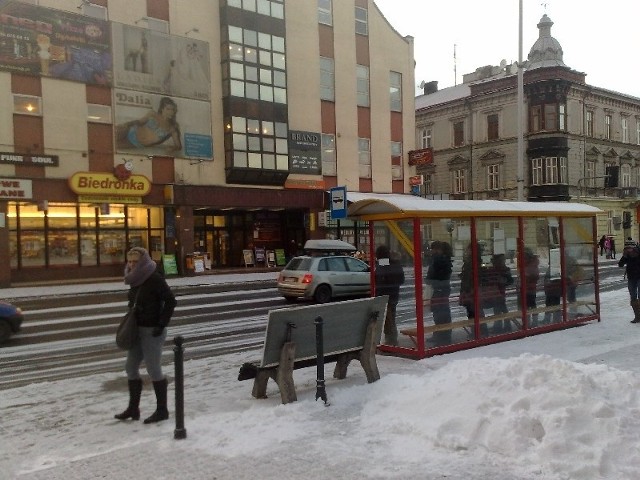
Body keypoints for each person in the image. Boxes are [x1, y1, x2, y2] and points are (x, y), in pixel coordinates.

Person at [115, 247, 177, 424]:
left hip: (152, 331)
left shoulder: (154, 278)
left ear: (143, 261)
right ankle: (133, 408)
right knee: (131, 367)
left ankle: (162, 410)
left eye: (136, 262)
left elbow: (171, 301)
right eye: (130, 261)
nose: (132, 264)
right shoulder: (133, 279)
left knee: (153, 369)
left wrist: (161, 323)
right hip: (137, 329)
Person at [116, 97, 182, 153]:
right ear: (162, 109)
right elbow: (140, 122)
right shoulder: (153, 114)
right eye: (168, 109)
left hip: (135, 143)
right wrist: (127, 124)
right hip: (129, 131)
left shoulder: (172, 128)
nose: (171, 112)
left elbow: (178, 146)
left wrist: (173, 148)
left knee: (112, 146)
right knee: (109, 137)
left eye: (172, 110)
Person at [374, 245, 405, 346]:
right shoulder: (395, 263)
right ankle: (391, 340)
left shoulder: (383, 264)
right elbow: (401, 279)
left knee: (388, 320)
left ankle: (391, 341)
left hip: (384, 295)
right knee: (390, 319)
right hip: (394, 294)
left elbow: (378, 278)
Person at [425, 241, 452, 344]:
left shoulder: (439, 259)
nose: (432, 251)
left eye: (433, 249)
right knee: (440, 313)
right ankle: (440, 335)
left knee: (440, 314)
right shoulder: (443, 259)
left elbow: (434, 275)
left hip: (439, 289)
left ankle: (442, 336)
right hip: (441, 289)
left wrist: (429, 280)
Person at [619, 239, 640, 323]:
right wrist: (624, 257)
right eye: (626, 248)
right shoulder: (626, 255)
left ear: (633, 247)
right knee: (633, 296)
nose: (628, 249)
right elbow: (620, 265)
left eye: (629, 247)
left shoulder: (639, 253)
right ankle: (637, 316)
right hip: (631, 278)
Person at [523, 249, 541, 327]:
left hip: (530, 289)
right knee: (528, 306)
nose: (524, 257)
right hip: (527, 288)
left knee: (530, 306)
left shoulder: (532, 264)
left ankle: (532, 323)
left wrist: (527, 278)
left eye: (525, 256)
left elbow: (536, 276)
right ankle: (528, 322)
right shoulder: (527, 264)